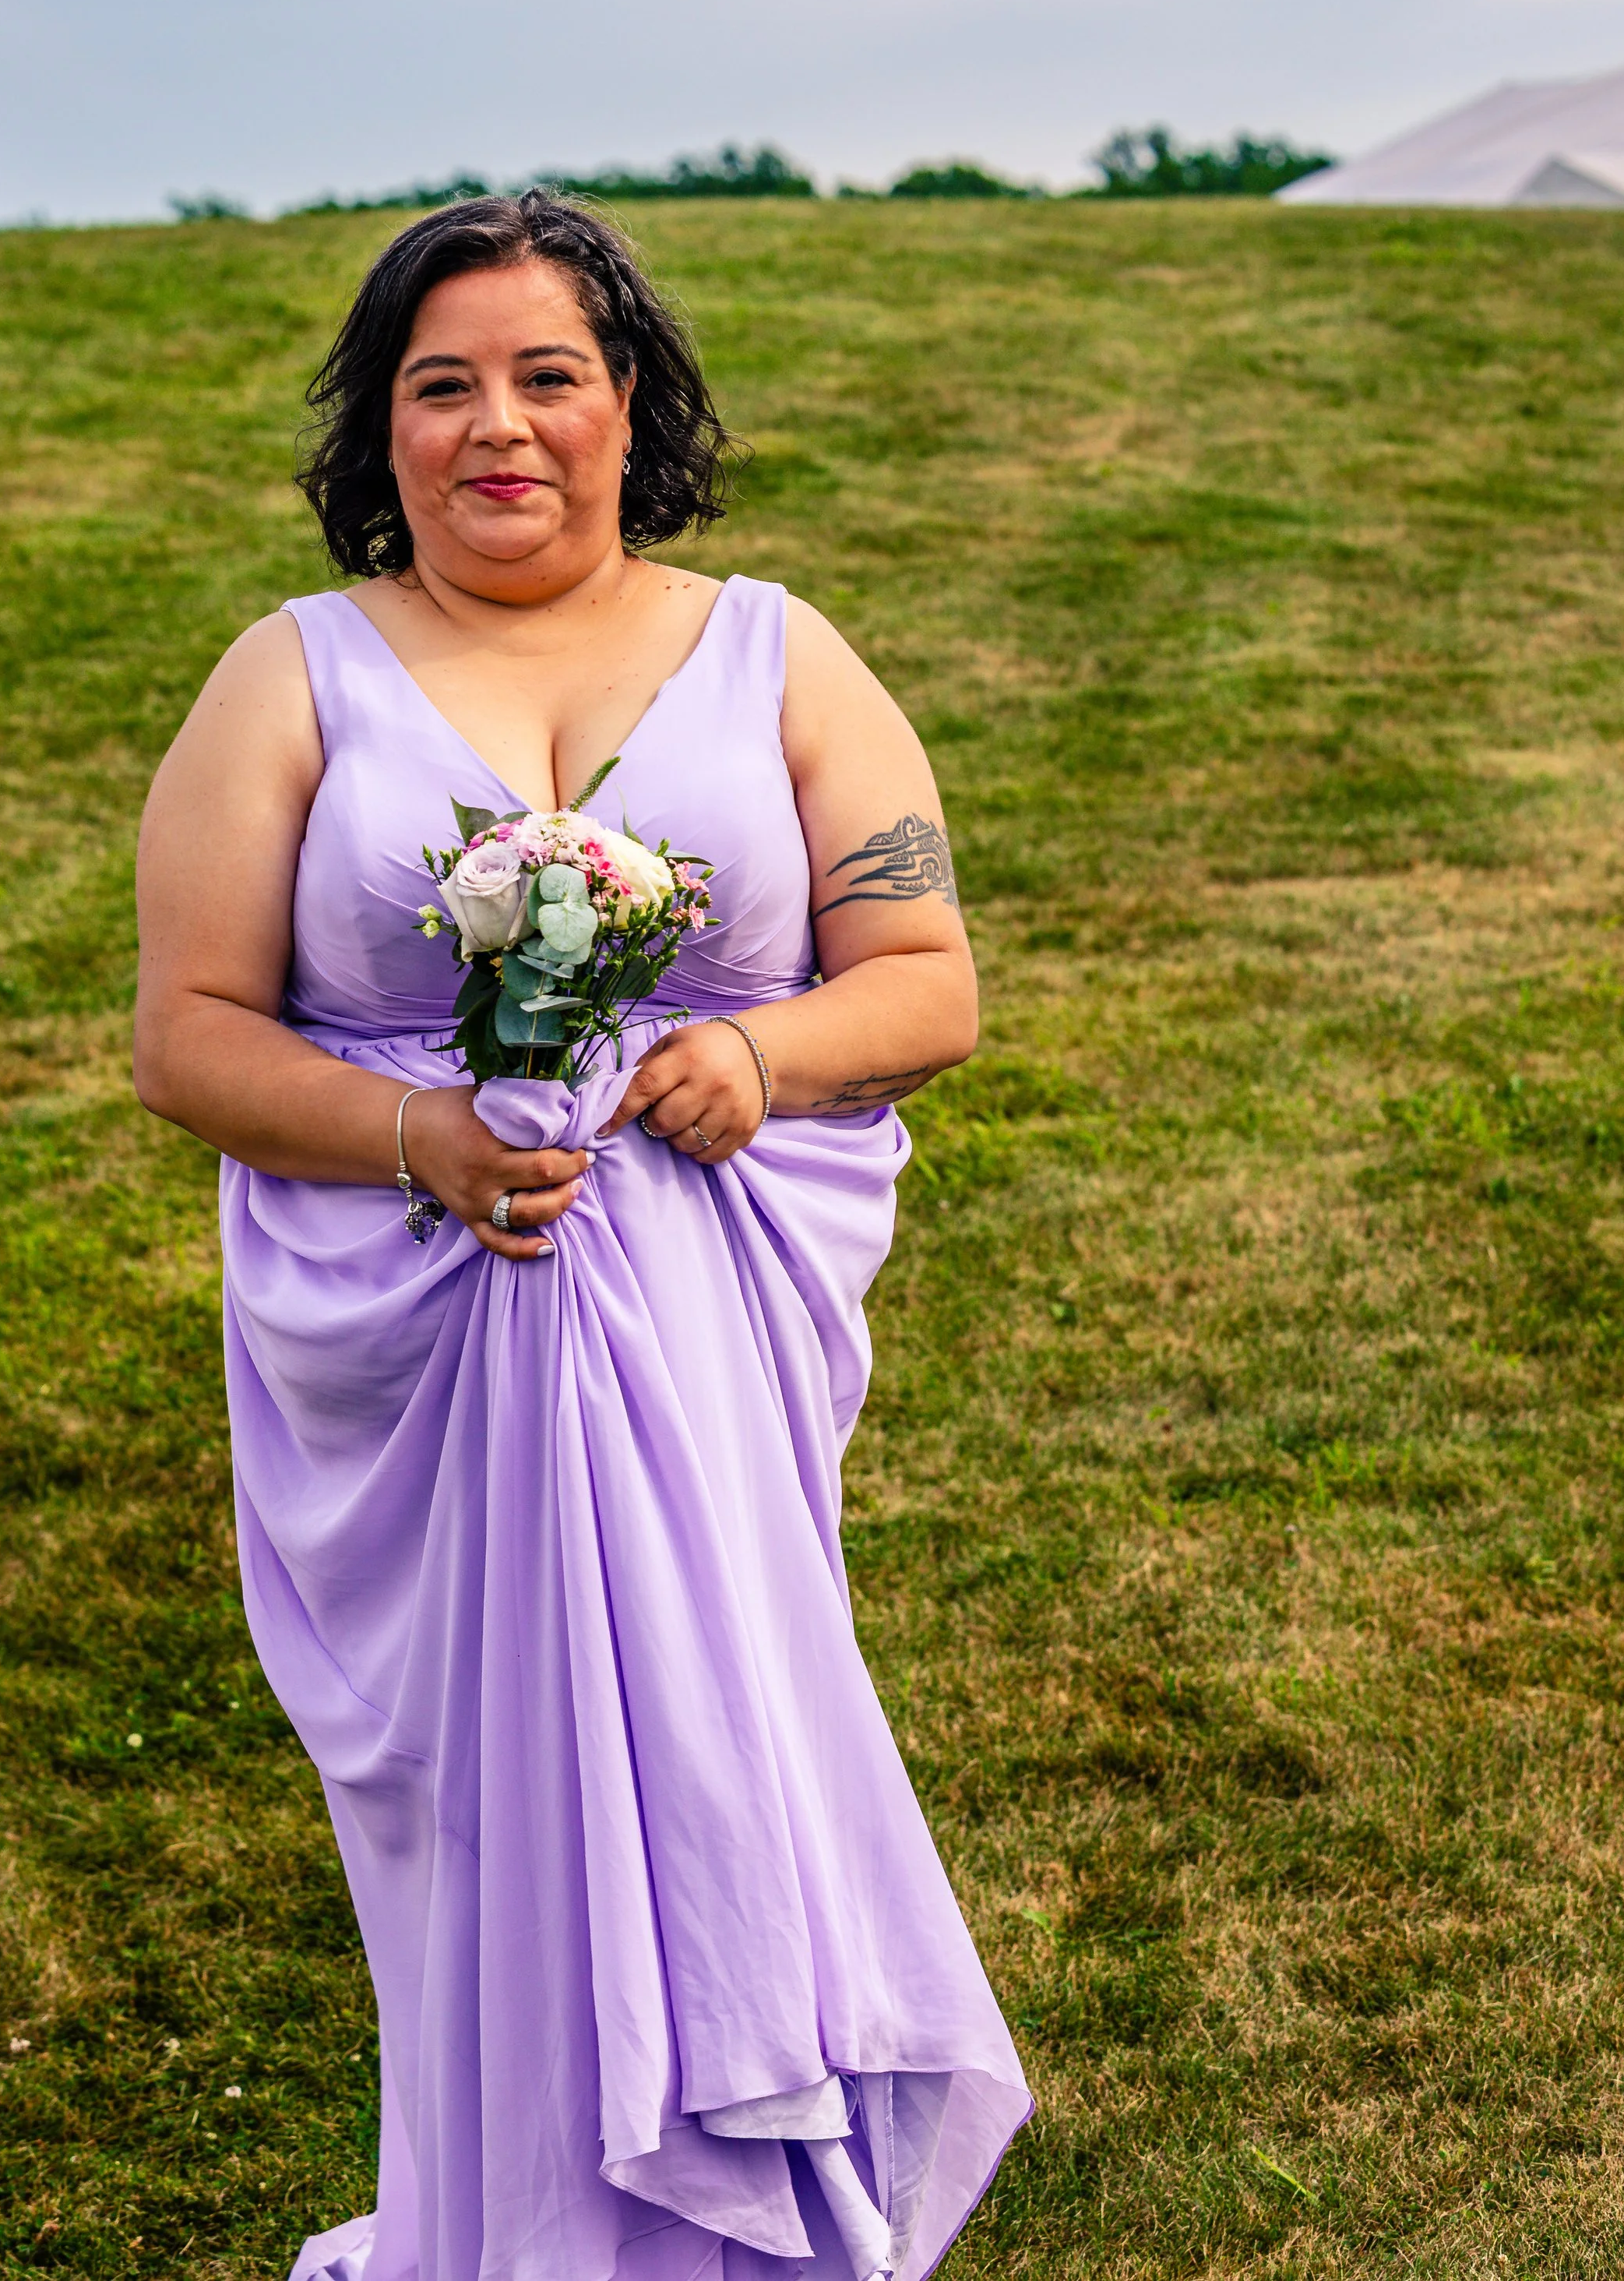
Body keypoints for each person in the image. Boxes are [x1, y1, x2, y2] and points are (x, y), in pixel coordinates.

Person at [133, 194, 1030, 2281]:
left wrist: (768, 1056)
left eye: (549, 373)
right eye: (440, 384)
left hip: (694, 1337)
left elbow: (924, 980)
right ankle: (503, 2231)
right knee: (475, 1813)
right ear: (386, 428)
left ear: (632, 404)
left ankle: (748, 2223)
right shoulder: (292, 674)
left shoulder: (777, 655)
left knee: (719, 1765)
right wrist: (409, 1131)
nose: (496, 426)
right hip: (420, 1344)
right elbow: (186, 1035)